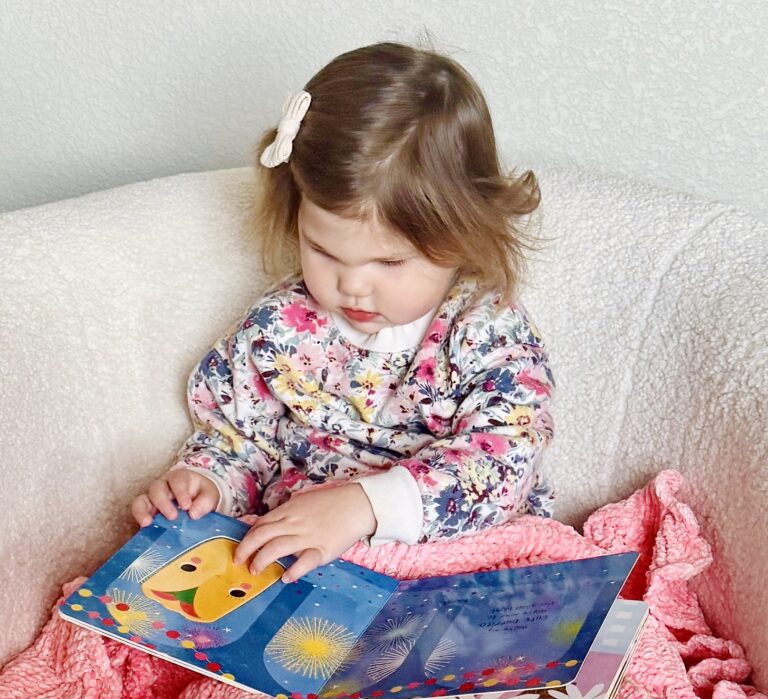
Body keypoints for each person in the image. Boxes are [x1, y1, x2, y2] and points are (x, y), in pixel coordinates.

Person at [132, 39, 554, 589]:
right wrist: (206, 482)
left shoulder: (486, 331)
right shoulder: (279, 327)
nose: (352, 285)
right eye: (323, 251)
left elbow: (504, 459)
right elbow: (240, 437)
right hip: (306, 572)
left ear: (462, 235)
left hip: (449, 564)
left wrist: (363, 507)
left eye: (390, 261)